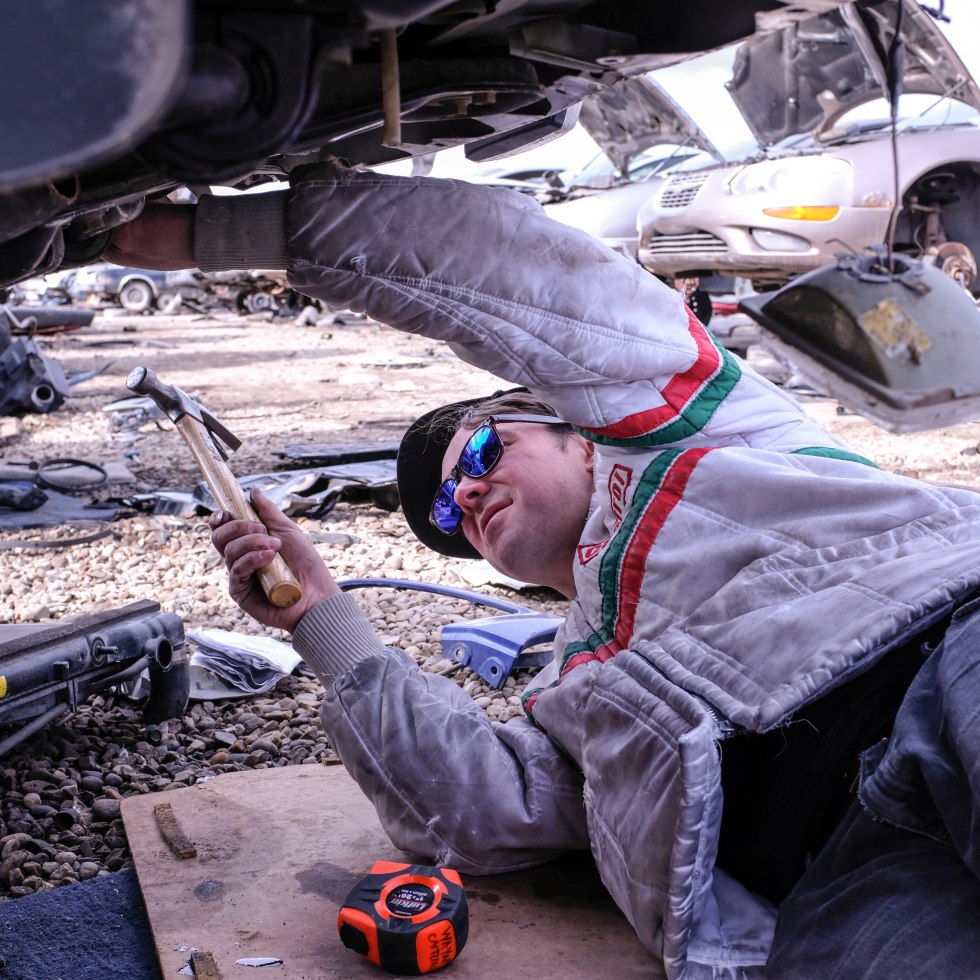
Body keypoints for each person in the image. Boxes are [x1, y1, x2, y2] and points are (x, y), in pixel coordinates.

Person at [107, 161, 980, 979]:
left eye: (481, 450)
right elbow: (474, 812)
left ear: (575, 428)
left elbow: (509, 269)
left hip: (947, 669)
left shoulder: (690, 424)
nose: (465, 493)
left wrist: (208, 234)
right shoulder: (571, 688)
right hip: (852, 860)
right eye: (448, 513)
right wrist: (319, 618)